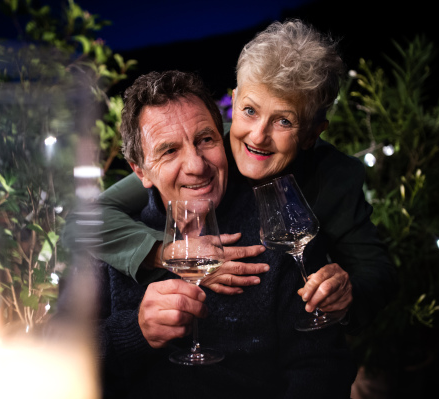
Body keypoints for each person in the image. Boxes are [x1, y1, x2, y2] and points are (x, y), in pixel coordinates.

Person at [66, 19, 397, 333]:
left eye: (284, 121)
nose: (257, 137)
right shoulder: (205, 151)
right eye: (250, 111)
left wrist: (346, 296)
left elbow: (376, 273)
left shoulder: (335, 176)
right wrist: (173, 254)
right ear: (234, 102)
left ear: (313, 133)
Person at [89, 69, 356, 398]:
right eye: (169, 150)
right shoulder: (108, 242)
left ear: (224, 139)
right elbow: (56, 350)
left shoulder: (276, 230)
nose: (196, 165)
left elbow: (321, 366)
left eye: (205, 140)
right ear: (140, 170)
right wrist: (134, 331)